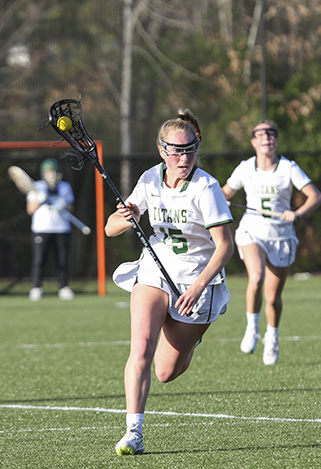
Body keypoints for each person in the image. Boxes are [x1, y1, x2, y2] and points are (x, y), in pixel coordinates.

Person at [105, 109, 234, 456]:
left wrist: (197, 288)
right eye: (176, 150)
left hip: (197, 282)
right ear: (162, 150)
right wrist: (126, 217)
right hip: (154, 271)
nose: (183, 157)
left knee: (165, 371)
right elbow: (109, 229)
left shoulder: (206, 187)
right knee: (142, 347)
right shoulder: (149, 179)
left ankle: (191, 341)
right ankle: (134, 431)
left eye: (190, 149)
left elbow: (225, 247)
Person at [222, 120, 321, 365]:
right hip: (252, 231)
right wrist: (220, 200)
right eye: (261, 134)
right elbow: (225, 192)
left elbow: (316, 196)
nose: (266, 137)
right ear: (253, 142)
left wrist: (297, 213)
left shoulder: (288, 168)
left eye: (271, 134)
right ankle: (251, 328)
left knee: (272, 298)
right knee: (256, 277)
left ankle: (272, 337)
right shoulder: (246, 168)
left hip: (281, 235)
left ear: (276, 141)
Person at [26, 158, 76, 301]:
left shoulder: (65, 187)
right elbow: (30, 209)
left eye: (54, 171)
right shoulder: (36, 187)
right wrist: (40, 200)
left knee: (62, 260)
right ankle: (36, 288)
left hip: (62, 229)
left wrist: (63, 204)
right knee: (39, 260)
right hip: (42, 228)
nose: (52, 174)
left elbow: (71, 208)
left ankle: (64, 287)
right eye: (49, 172)